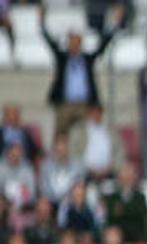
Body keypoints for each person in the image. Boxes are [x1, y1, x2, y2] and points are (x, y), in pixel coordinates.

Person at [41, 5, 120, 145]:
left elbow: (102, 46)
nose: (74, 45)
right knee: (60, 137)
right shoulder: (63, 58)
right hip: (65, 104)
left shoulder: (87, 59)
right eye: (72, 42)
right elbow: (50, 43)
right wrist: (42, 23)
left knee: (85, 138)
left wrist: (113, 25)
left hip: (84, 105)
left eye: (77, 42)